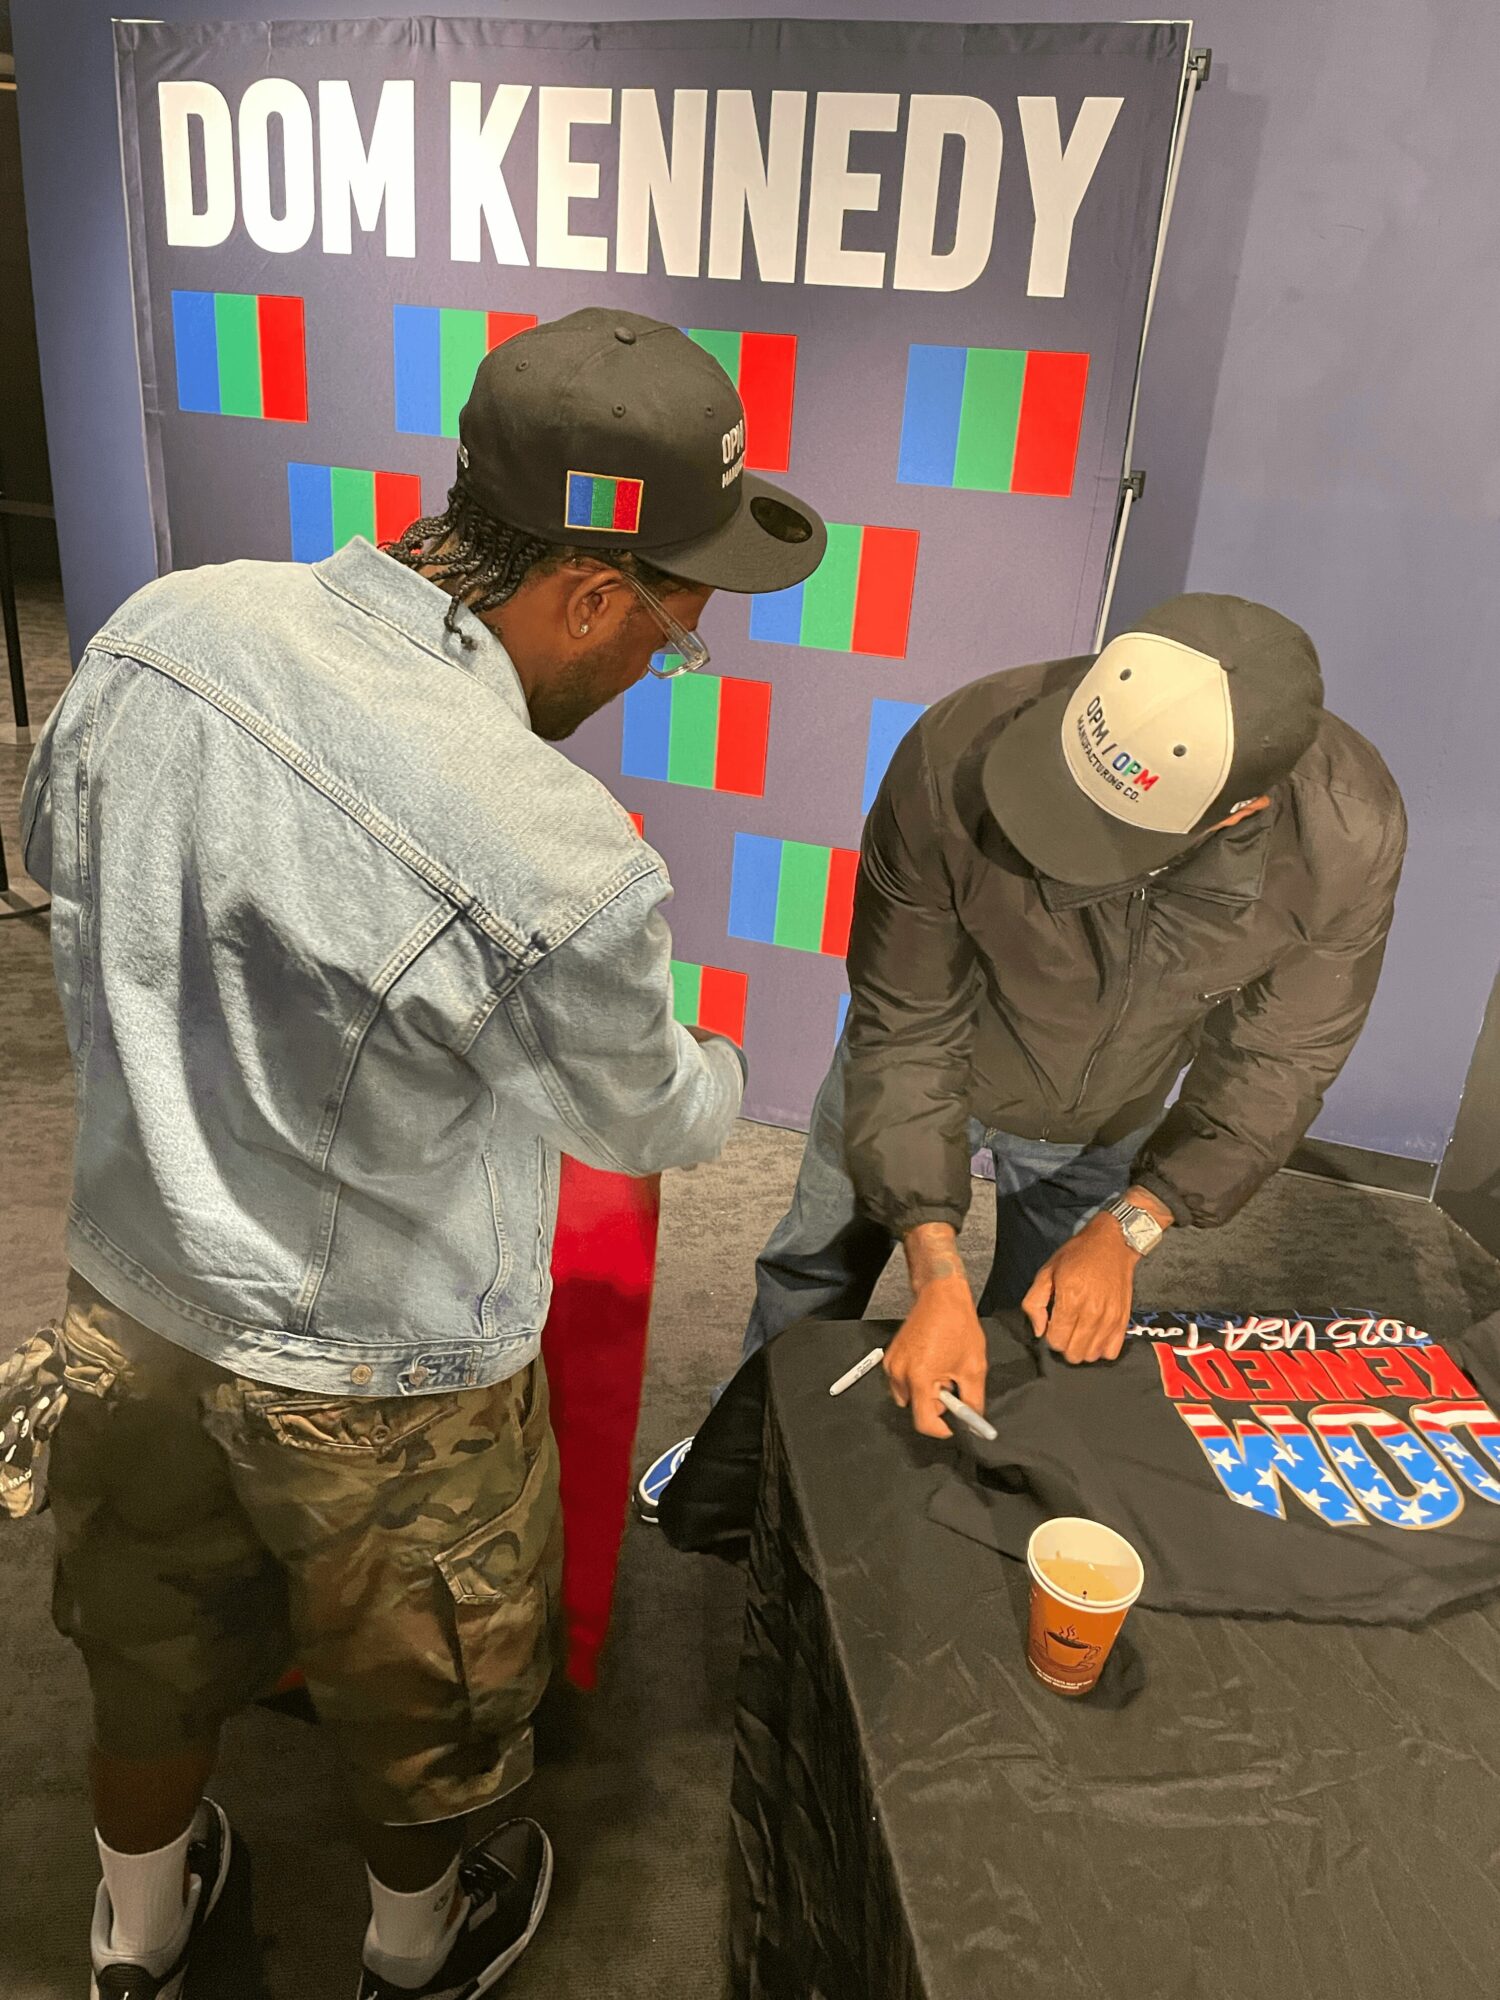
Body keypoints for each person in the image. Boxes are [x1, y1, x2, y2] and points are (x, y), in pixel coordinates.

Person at [17, 308, 825, 2000]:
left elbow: (58, 870)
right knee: (425, 1697)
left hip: (129, 1305)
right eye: (672, 636)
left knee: (144, 1654)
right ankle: (412, 1948)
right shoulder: (554, 851)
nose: (661, 664)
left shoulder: (162, 632)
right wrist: (730, 1071)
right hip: (387, 1375)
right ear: (588, 594)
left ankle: (137, 1938)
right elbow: (638, 1114)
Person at [641, 591, 1403, 1498]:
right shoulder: (953, 750)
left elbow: (1280, 1060)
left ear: (1237, 814)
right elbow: (907, 1016)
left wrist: (1136, 1221)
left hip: (1106, 1110)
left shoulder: (1346, 839)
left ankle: (962, 1497)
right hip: (922, 1064)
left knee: (1037, 1335)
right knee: (816, 1266)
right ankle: (736, 1462)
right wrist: (932, 1263)